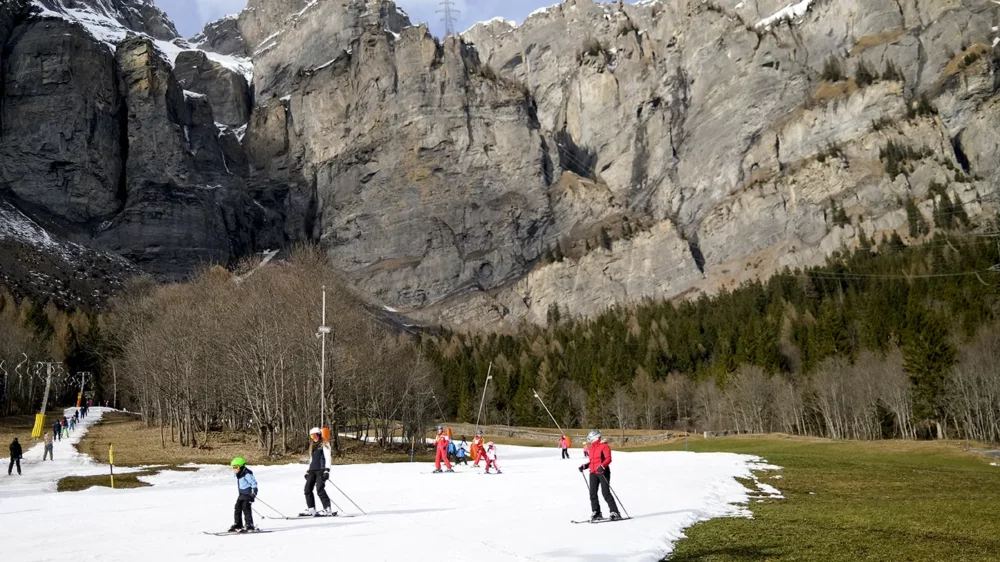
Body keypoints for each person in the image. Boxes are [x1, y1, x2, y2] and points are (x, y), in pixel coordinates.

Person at [578, 429, 620, 522]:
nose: (589, 439)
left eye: (590, 437)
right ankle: (596, 512)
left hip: (603, 472)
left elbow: (608, 459)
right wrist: (585, 466)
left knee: (605, 493)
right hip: (593, 473)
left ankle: (615, 512)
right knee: (592, 493)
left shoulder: (604, 446)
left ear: (595, 437)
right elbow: (592, 461)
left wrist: (602, 466)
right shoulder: (591, 448)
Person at [301, 427, 334, 516]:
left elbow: (328, 458)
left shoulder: (324, 444)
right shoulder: (312, 446)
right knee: (307, 489)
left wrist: (327, 470)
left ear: (319, 435)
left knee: (320, 489)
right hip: (312, 470)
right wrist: (308, 471)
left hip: (321, 470)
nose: (314, 438)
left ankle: (327, 509)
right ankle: (311, 509)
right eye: (312, 436)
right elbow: (311, 460)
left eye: (315, 435)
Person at [229, 457, 258, 532]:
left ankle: (249, 525)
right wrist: (236, 471)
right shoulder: (239, 473)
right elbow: (235, 474)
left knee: (246, 508)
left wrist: (254, 492)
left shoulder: (247, 474)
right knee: (237, 508)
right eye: (233, 467)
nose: (234, 469)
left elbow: (253, 483)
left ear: (241, 466)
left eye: (236, 467)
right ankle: (238, 524)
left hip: (248, 494)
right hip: (241, 494)